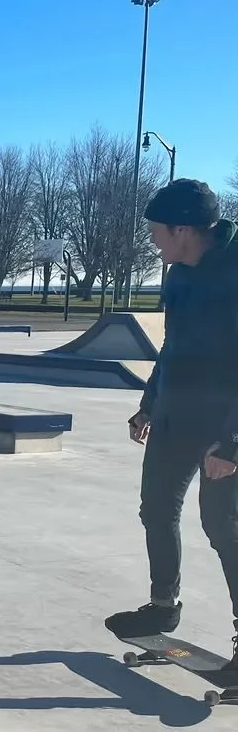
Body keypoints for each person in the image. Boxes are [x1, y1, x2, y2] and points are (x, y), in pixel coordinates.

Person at [105, 178, 238, 665]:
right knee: (157, 508)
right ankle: (163, 609)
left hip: (224, 426)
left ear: (184, 229)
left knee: (224, 527)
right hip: (177, 416)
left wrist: (232, 444)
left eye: (157, 232)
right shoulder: (178, 272)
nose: (153, 242)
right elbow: (172, 346)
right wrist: (149, 403)